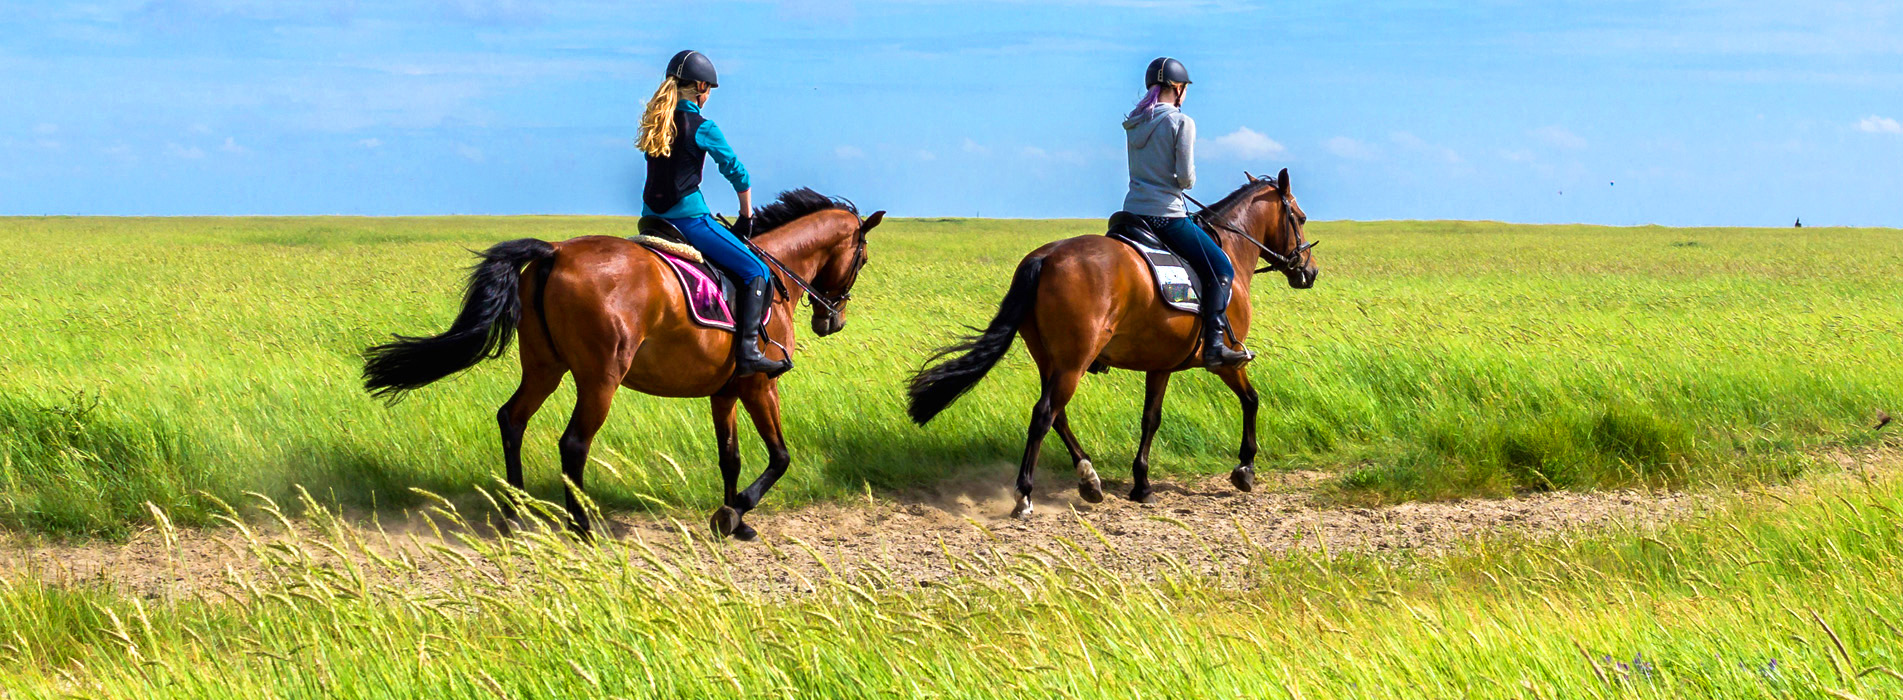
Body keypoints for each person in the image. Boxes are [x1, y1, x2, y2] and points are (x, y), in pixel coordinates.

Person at [637, 50, 790, 377]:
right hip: (690, 221)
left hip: (651, 218)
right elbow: (738, 173)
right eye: (709, 91)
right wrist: (746, 216)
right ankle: (748, 352)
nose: (708, 97)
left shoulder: (656, 122)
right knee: (757, 270)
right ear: (701, 86)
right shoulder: (703, 126)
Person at [1122, 56, 1251, 368]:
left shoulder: (1134, 123)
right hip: (1165, 215)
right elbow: (1186, 179)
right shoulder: (1181, 123)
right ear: (1177, 88)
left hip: (1131, 214)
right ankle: (1215, 347)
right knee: (1221, 268)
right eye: (1186, 89)